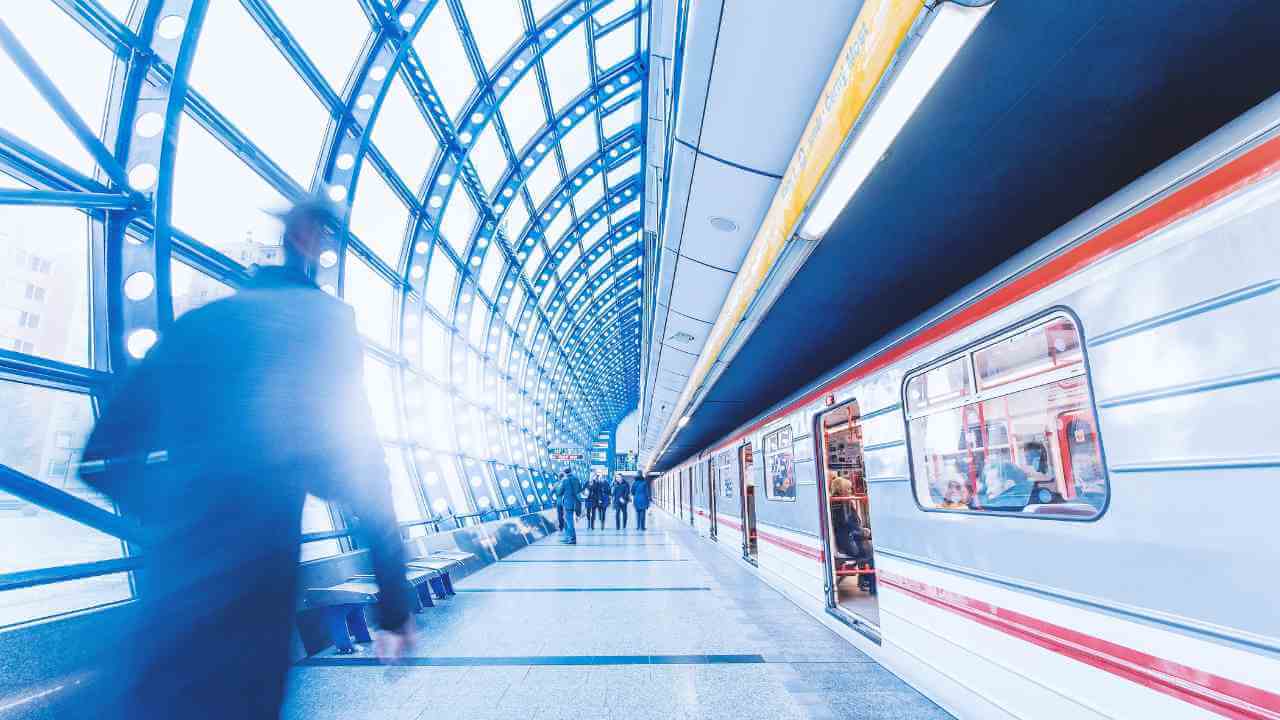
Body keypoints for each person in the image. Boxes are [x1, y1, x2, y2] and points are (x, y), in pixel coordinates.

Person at [78, 197, 414, 719]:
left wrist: (183, 523)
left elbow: (103, 458)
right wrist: (394, 607)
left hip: (165, 608)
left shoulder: (202, 324)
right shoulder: (323, 325)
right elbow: (362, 470)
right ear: (309, 240)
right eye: (327, 239)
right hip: (252, 607)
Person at [555, 467, 582, 544]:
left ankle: (572, 539)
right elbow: (579, 490)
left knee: (569, 521)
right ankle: (568, 537)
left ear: (564, 472)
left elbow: (559, 492)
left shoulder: (564, 480)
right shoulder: (576, 479)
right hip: (576, 502)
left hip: (568, 503)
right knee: (568, 521)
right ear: (571, 471)